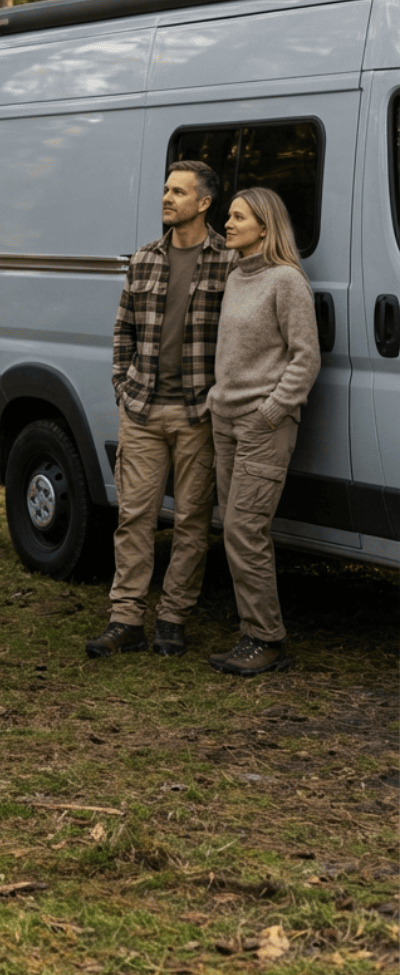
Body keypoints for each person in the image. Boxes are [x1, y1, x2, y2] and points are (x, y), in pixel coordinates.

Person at [87, 160, 236, 660]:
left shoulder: (229, 261)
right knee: (134, 518)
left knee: (192, 523)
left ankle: (173, 619)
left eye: (179, 192)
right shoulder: (145, 259)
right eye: (166, 189)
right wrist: (123, 386)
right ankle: (126, 620)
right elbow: (123, 330)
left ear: (204, 203)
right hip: (143, 411)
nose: (167, 198)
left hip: (199, 414)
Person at [206, 186, 320, 676]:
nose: (227, 224)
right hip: (225, 420)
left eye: (238, 217)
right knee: (234, 529)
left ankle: (266, 639)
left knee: (243, 530)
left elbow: (306, 357)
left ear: (264, 226)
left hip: (263, 425)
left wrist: (270, 412)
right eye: (229, 215)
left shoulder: (286, 280)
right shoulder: (237, 275)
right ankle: (251, 631)